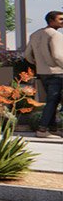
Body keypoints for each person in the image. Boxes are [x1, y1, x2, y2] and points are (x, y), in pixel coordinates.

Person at [29, 10, 63, 139]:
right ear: (51, 21)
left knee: (52, 101)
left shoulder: (35, 34)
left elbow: (27, 55)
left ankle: (52, 128)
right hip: (57, 73)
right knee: (53, 101)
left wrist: (39, 64)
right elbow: (58, 56)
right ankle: (42, 129)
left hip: (42, 73)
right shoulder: (56, 35)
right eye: (60, 19)